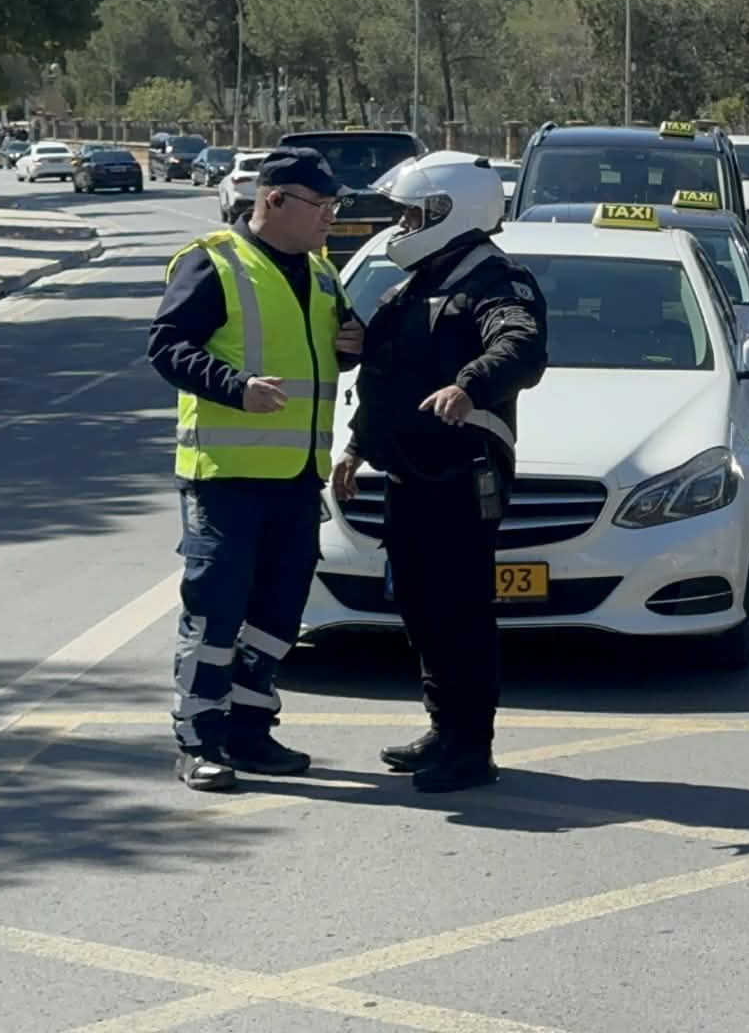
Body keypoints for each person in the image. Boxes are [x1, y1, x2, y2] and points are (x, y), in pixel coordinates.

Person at [146, 147, 365, 792]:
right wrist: (234, 387)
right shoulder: (213, 262)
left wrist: (354, 344)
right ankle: (198, 739)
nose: (331, 218)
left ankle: (249, 729)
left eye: (334, 206)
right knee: (215, 611)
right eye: (320, 206)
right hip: (227, 476)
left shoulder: (323, 274)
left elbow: (331, 350)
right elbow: (166, 346)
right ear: (273, 200)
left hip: (298, 476)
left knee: (278, 614)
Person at [331, 151, 547, 794]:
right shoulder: (418, 283)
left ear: (450, 211)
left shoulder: (497, 281)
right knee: (422, 608)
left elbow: (521, 344)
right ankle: (442, 727)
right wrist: (356, 448)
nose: (400, 225)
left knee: (460, 611)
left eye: (411, 214)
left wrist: (471, 386)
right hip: (410, 473)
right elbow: (388, 376)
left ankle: (470, 747)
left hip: (461, 474)